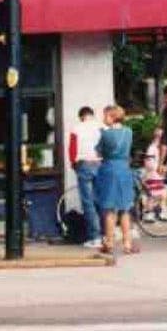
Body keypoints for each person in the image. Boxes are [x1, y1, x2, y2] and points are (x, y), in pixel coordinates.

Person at [94, 105, 138, 255]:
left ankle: (110, 242)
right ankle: (127, 243)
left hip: (109, 169)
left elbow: (98, 151)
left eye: (105, 116)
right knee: (125, 208)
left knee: (109, 209)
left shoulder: (105, 134)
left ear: (111, 117)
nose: (103, 119)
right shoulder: (128, 132)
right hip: (124, 169)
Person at [69, 106, 103, 248]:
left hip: (84, 164)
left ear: (81, 117)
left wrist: (74, 164)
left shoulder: (76, 128)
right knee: (101, 200)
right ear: (92, 115)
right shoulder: (101, 128)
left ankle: (95, 237)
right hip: (100, 163)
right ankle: (106, 234)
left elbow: (72, 149)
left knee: (88, 202)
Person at [140, 127, 167, 222]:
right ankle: (149, 213)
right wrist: (157, 169)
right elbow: (149, 162)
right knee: (153, 195)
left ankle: (159, 211)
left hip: (157, 175)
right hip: (153, 175)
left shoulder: (158, 148)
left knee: (161, 194)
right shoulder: (152, 148)